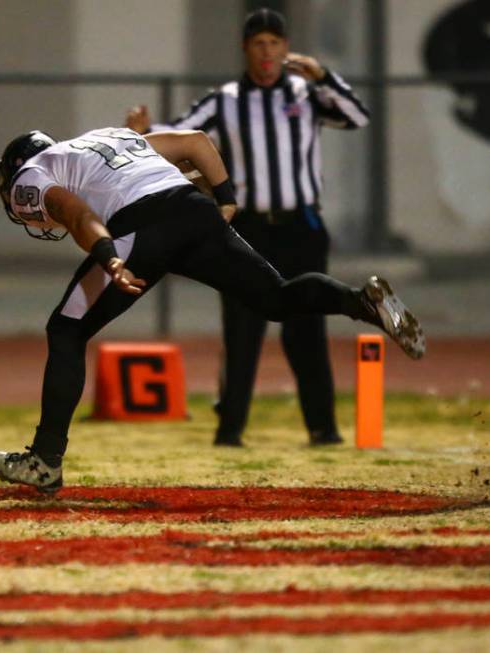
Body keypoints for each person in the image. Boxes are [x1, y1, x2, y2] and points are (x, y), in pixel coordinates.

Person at [0, 126, 425, 493]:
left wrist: (107, 256)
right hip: (193, 210)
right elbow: (195, 142)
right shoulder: (108, 136)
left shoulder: (31, 178)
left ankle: (45, 461)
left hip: (142, 225)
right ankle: (362, 301)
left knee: (66, 331)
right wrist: (226, 197)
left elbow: (76, 213)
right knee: (277, 296)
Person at [124, 8, 372, 447]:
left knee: (307, 330)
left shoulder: (305, 92)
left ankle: (323, 429)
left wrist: (324, 75)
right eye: (259, 43)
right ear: (246, 48)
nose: (267, 52)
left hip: (300, 226)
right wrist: (141, 134)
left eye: (275, 43)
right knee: (242, 328)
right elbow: (180, 132)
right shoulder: (226, 99)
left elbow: (357, 116)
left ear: (285, 47)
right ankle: (230, 429)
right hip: (250, 228)